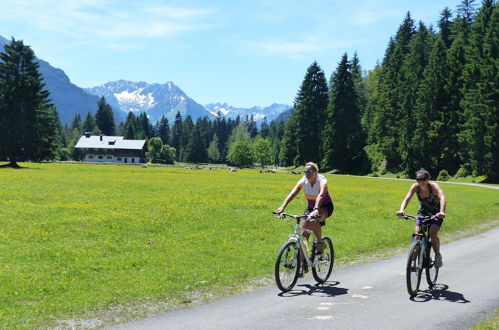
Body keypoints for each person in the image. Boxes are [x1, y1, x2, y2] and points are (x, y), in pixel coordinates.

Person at [275, 162, 334, 275]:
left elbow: (321, 195)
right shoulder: (304, 180)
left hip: (324, 206)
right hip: (311, 207)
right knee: (302, 235)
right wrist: (282, 206)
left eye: (310, 171)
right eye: (305, 171)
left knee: (313, 220)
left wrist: (316, 209)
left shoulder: (322, 180)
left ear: (315, 172)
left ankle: (320, 243)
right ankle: (302, 265)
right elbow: (293, 193)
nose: (307, 174)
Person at [396, 168, 446, 268]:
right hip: (422, 213)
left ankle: (437, 255)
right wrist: (401, 210)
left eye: (423, 179)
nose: (420, 182)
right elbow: (407, 198)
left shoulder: (433, 186)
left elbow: (442, 197)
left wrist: (441, 211)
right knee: (417, 235)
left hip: (436, 213)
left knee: (432, 233)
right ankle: (413, 263)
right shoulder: (415, 187)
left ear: (428, 179)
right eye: (418, 179)